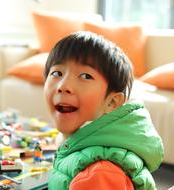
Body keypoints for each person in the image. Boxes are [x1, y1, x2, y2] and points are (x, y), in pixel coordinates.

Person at [44, 31, 164, 189]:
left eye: (86, 76)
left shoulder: (99, 173)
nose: (64, 86)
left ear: (112, 102)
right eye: (57, 73)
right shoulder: (79, 148)